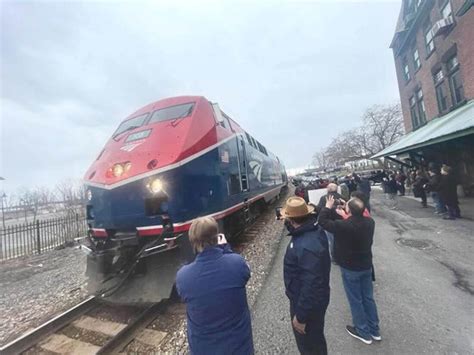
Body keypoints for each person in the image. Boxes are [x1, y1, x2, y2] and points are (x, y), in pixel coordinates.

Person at [176, 217, 253, 354]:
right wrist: (226, 249)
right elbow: (244, 274)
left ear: (193, 241)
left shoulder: (183, 276)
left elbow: (184, 295)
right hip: (238, 347)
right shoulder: (237, 263)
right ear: (217, 236)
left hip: (204, 349)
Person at [318, 195, 380, 345]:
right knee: (368, 298)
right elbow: (355, 218)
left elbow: (322, 222)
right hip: (366, 266)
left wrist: (327, 206)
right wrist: (348, 208)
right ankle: (375, 330)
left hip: (350, 268)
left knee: (355, 300)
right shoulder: (370, 222)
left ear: (349, 211)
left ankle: (363, 331)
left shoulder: (343, 226)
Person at [282, 196, 331, 355]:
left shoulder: (305, 244)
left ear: (291, 220)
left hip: (307, 307)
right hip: (313, 301)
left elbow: (312, 285)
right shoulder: (313, 230)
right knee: (316, 340)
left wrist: (301, 317)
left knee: (309, 346)